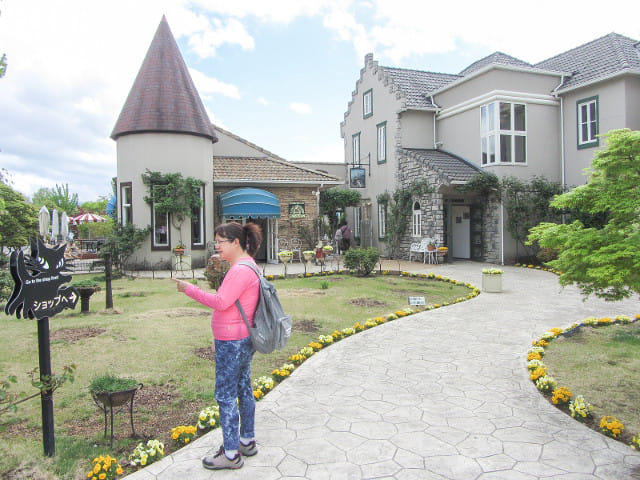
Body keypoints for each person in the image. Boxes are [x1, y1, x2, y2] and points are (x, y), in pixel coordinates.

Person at [172, 222, 262, 470]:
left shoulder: (240, 270)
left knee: (225, 395)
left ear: (235, 243)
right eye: (215, 243)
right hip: (241, 338)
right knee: (243, 387)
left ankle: (231, 453)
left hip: (232, 341)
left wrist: (189, 289)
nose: (217, 248)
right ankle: (246, 440)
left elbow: (221, 302)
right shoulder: (247, 266)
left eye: (220, 242)